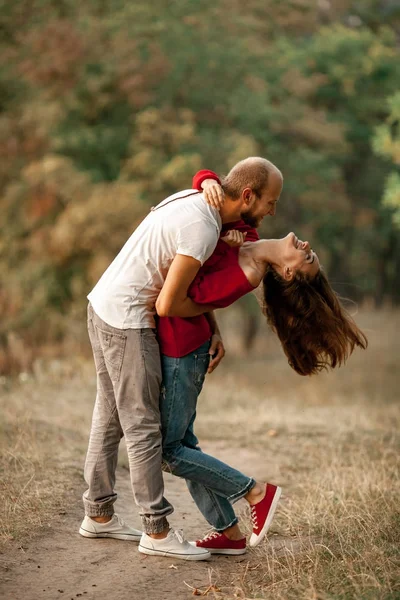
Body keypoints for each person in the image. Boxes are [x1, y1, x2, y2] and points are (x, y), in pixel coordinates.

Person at [79, 157, 283, 560]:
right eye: (271, 201)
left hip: (101, 305)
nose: (273, 211)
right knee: (143, 429)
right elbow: (170, 304)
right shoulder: (204, 229)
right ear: (247, 196)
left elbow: (191, 288)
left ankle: (99, 514)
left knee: (110, 416)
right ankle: (156, 530)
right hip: (127, 321)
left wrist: (213, 328)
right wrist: (212, 325)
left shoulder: (195, 199)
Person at [156, 219, 367, 555]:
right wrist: (211, 189)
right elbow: (223, 194)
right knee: (183, 444)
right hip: (183, 347)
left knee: (168, 450)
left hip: (182, 353)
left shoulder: (248, 272)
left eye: (308, 260)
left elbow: (191, 287)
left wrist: (222, 248)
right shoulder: (248, 239)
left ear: (286, 273)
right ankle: (229, 531)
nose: (309, 248)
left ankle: (255, 492)